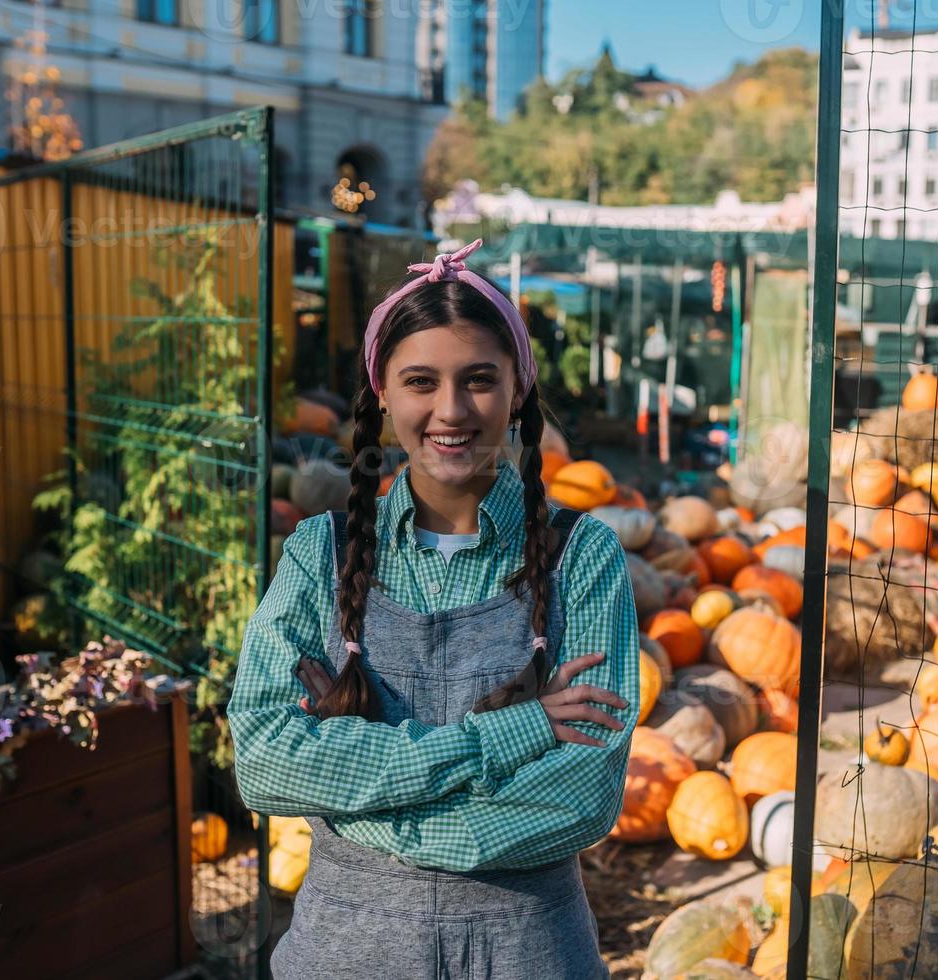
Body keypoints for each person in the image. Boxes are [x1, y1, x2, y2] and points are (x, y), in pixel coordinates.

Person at [229, 239, 639, 979]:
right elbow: (262, 762)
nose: (451, 411)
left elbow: (579, 798)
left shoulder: (582, 558)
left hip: (526, 955)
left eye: (479, 380)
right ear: (381, 390)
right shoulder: (317, 558)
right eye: (421, 380)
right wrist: (509, 736)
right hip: (344, 955)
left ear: (518, 389)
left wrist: (359, 803)